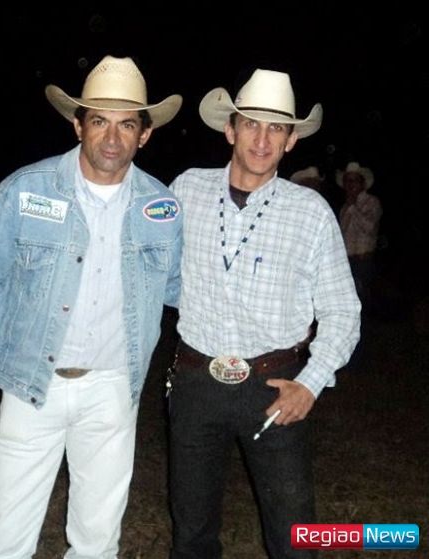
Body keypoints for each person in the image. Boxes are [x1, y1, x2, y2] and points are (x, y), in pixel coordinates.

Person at [0, 55, 183, 559]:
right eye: (99, 120)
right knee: (6, 540)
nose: (111, 138)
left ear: (144, 135)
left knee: (97, 543)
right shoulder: (24, 191)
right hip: (31, 388)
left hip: (114, 390)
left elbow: (185, 292)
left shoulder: (161, 208)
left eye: (126, 124)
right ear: (77, 125)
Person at [166, 68, 361, 558]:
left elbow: (343, 309)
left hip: (275, 385)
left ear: (291, 140)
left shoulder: (310, 212)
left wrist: (311, 382)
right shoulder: (185, 190)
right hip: (195, 381)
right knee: (190, 530)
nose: (262, 138)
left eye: (276, 127)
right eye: (251, 123)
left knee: (294, 534)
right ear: (230, 130)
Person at [335, 161, 383, 313]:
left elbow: (368, 227)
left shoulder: (372, 202)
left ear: (362, 183)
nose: (350, 184)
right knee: (346, 306)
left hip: (363, 263)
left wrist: (353, 207)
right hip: (346, 264)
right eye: (347, 180)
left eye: (354, 180)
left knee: (361, 306)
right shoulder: (344, 208)